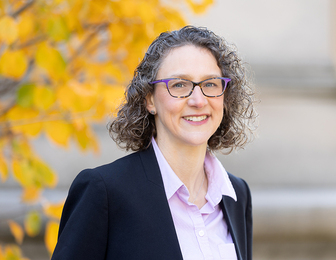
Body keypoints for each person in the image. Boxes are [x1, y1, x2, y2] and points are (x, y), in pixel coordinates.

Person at [52, 25, 256, 260]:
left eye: (210, 83)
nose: (198, 100)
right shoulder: (105, 191)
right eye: (180, 85)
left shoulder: (236, 195)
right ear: (150, 99)